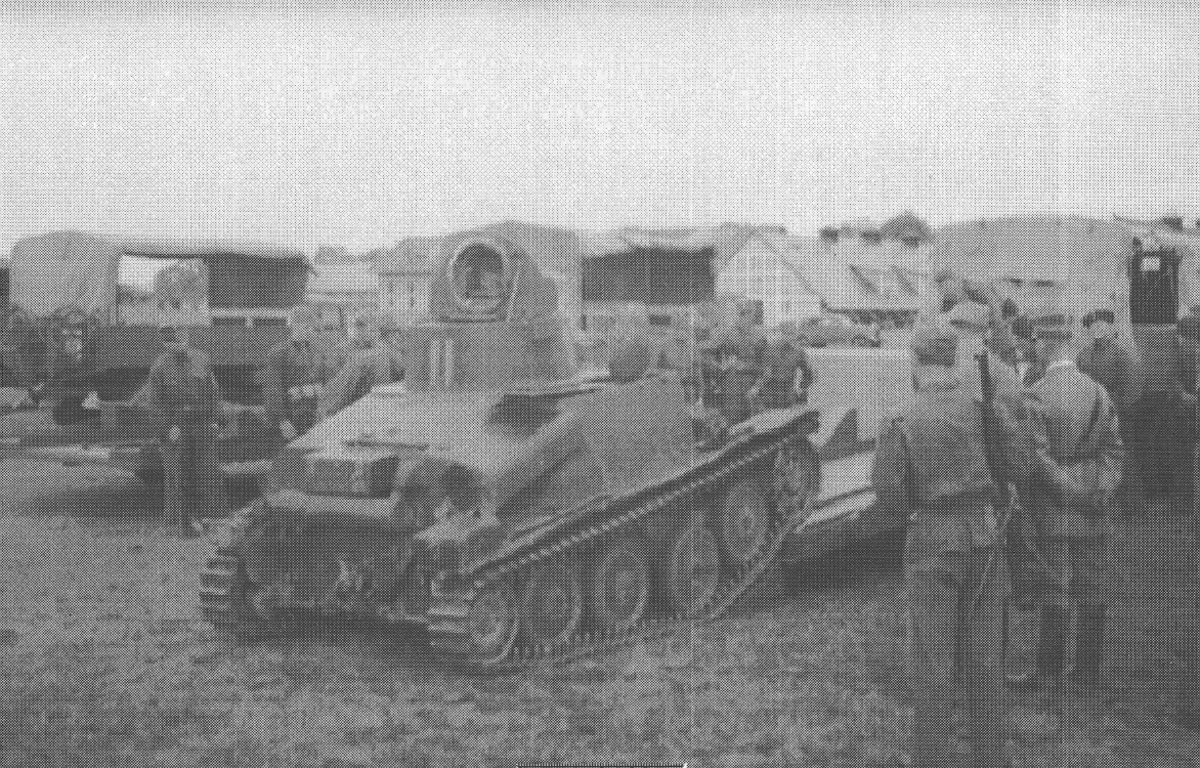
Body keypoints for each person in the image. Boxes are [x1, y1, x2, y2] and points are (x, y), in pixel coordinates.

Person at [872, 319, 1014, 767]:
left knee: (934, 666)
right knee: (986, 663)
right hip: (985, 536)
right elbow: (1015, 463)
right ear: (951, 360)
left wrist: (918, 506)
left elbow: (889, 494)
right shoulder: (981, 407)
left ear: (915, 361)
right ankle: (991, 760)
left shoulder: (902, 417)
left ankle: (931, 759)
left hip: (932, 539)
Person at [1024, 313, 1123, 689]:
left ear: (1043, 345)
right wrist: (1099, 490)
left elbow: (1036, 458)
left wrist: (1071, 491)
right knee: (1093, 586)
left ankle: (1048, 671)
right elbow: (1114, 450)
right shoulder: (1099, 392)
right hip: (1095, 504)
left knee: (1054, 586)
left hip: (1054, 506)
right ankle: (1087, 672)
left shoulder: (1035, 394)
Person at [133, 323, 224, 534]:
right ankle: (177, 525)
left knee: (207, 473)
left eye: (181, 340)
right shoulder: (159, 367)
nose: (178, 345)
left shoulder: (202, 359)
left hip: (201, 424)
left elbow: (214, 393)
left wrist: (215, 420)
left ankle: (210, 522)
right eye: (172, 342)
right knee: (177, 476)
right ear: (166, 344)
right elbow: (154, 404)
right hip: (176, 427)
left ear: (187, 338)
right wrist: (167, 429)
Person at [1077, 308, 1145, 514]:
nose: (1096, 330)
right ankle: (1103, 500)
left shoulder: (1121, 352)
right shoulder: (1084, 354)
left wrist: (1120, 410)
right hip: (1092, 413)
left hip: (1118, 412)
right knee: (1098, 456)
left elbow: (1132, 385)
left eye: (1101, 326)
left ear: (1109, 328)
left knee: (1125, 455)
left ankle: (1133, 504)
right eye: (1092, 327)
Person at [263, 305, 335, 446]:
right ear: (294, 326)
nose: (309, 331)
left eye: (311, 327)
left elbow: (330, 384)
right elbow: (273, 390)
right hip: (292, 416)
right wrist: (282, 421)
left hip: (316, 415)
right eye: (305, 327)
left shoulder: (320, 352)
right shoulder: (279, 353)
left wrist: (329, 413)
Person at [318, 323, 406, 420]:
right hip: (356, 404)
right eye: (371, 331)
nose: (374, 335)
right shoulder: (345, 351)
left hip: (372, 404)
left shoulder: (382, 351)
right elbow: (334, 381)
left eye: (375, 331)